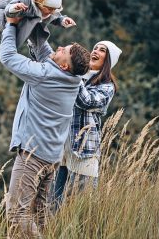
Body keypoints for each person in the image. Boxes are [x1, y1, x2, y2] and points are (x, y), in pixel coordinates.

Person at [0, 16, 90, 237]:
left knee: (17, 215)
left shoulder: (45, 75)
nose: (58, 47)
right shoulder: (72, 80)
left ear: (64, 65)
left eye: (63, 50)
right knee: (40, 215)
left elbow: (8, 57)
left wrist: (11, 24)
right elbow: (42, 47)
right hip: (51, 158)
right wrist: (39, 18)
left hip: (33, 155)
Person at [52, 40, 122, 210]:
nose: (96, 51)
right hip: (63, 152)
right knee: (53, 207)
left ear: (108, 60)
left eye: (102, 50)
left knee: (81, 209)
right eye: (95, 47)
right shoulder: (76, 76)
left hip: (84, 154)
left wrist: (76, 73)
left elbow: (87, 101)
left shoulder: (107, 86)